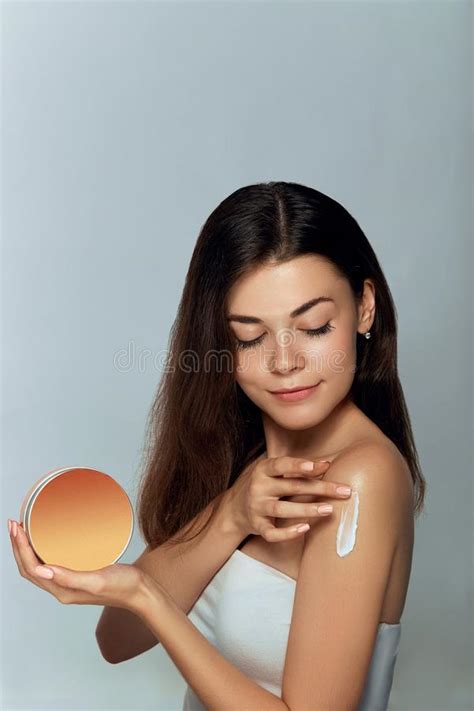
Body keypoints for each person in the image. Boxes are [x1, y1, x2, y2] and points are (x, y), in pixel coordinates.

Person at [9, 181, 424, 710]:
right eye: (250, 337)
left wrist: (144, 594)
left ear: (364, 308)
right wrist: (230, 514)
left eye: (315, 326)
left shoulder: (360, 479)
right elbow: (115, 641)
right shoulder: (244, 468)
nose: (284, 360)